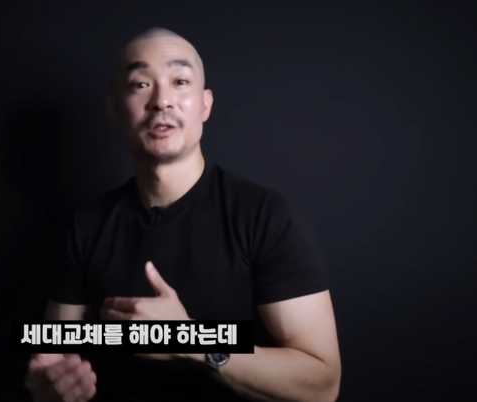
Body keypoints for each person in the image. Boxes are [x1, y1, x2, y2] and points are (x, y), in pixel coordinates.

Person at [24, 27, 341, 402]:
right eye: (141, 84)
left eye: (180, 81)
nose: (162, 101)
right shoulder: (86, 226)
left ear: (205, 105)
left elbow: (323, 384)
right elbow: (53, 355)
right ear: (115, 110)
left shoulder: (266, 217)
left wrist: (190, 339)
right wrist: (47, 386)